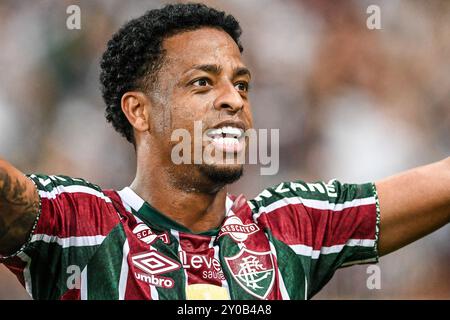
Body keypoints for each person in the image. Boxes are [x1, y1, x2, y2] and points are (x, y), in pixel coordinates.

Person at [0, 3, 448, 300]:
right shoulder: (79, 224)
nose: (234, 99)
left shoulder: (290, 228)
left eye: (242, 85)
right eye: (202, 82)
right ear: (138, 110)